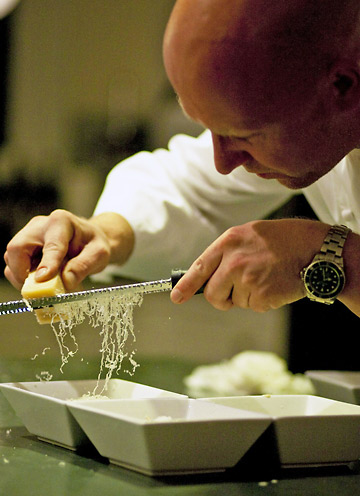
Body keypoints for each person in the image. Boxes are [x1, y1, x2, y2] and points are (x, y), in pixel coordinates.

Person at [4, 0, 360, 317]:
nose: (223, 161)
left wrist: (332, 256)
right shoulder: (291, 112)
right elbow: (195, 189)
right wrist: (102, 235)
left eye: (244, 135)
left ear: (344, 86)